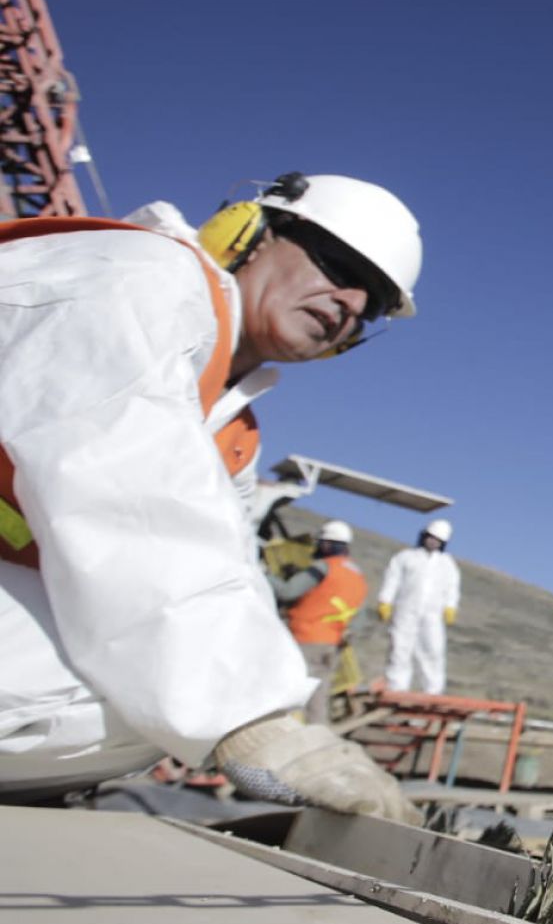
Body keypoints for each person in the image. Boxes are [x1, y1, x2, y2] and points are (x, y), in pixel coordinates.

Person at [0, 172, 422, 819]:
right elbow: (132, 495)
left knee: (161, 697)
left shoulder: (230, 427)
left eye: (369, 305)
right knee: (150, 693)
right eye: (339, 264)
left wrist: (261, 707)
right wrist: (251, 718)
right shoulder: (140, 278)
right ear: (249, 233)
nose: (349, 301)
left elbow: (232, 574)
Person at [271, 520, 369, 725]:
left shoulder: (324, 567)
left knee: (288, 693)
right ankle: (316, 741)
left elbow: (288, 591)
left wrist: (259, 574)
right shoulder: (357, 576)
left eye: (320, 543)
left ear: (327, 544)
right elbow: (360, 616)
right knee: (317, 699)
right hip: (332, 646)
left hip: (306, 639)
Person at [378, 518, 461, 694]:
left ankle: (433, 691)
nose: (433, 542)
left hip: (433, 615)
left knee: (433, 650)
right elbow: (392, 580)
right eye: (430, 537)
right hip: (405, 610)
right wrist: (385, 601)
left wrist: (450, 606)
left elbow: (452, 587)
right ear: (424, 536)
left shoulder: (447, 564)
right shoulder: (405, 557)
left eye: (437, 540)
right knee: (400, 648)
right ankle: (397, 687)